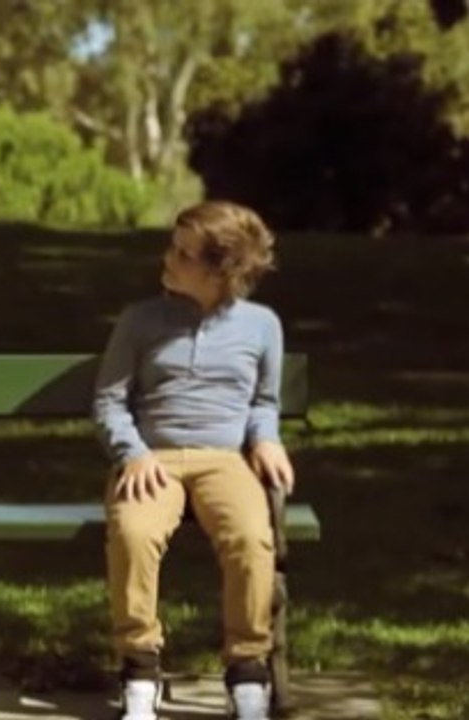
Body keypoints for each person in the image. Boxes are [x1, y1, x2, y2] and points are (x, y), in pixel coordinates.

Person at [92, 200, 295, 720]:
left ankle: (248, 672)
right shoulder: (140, 321)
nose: (169, 258)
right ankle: (139, 670)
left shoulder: (261, 326)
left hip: (223, 460)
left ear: (219, 270)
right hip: (153, 458)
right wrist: (131, 453)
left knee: (251, 538)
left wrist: (266, 439)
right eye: (172, 246)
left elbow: (263, 404)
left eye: (184, 254)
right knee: (134, 533)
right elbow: (110, 401)